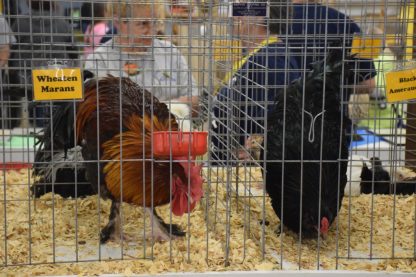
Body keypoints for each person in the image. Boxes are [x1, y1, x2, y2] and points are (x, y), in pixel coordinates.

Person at [212, 0, 300, 161]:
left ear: (260, 15)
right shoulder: (260, 56)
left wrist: (255, 148)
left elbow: (280, 117)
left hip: (247, 176)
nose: (234, 15)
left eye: (241, 7)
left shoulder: (271, 60)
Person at [84, 0, 198, 109]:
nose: (152, 31)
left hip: (168, 128)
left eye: (155, 22)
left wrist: (162, 110)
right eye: (143, 23)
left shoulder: (170, 53)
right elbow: (96, 111)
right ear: (118, 22)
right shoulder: (99, 60)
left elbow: (194, 101)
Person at [9, 0, 77, 127]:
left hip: (29, 78)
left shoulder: (20, 22)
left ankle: (39, 129)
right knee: (57, 114)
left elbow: (11, 50)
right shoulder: (63, 23)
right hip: (57, 79)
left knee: (36, 110)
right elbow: (73, 52)